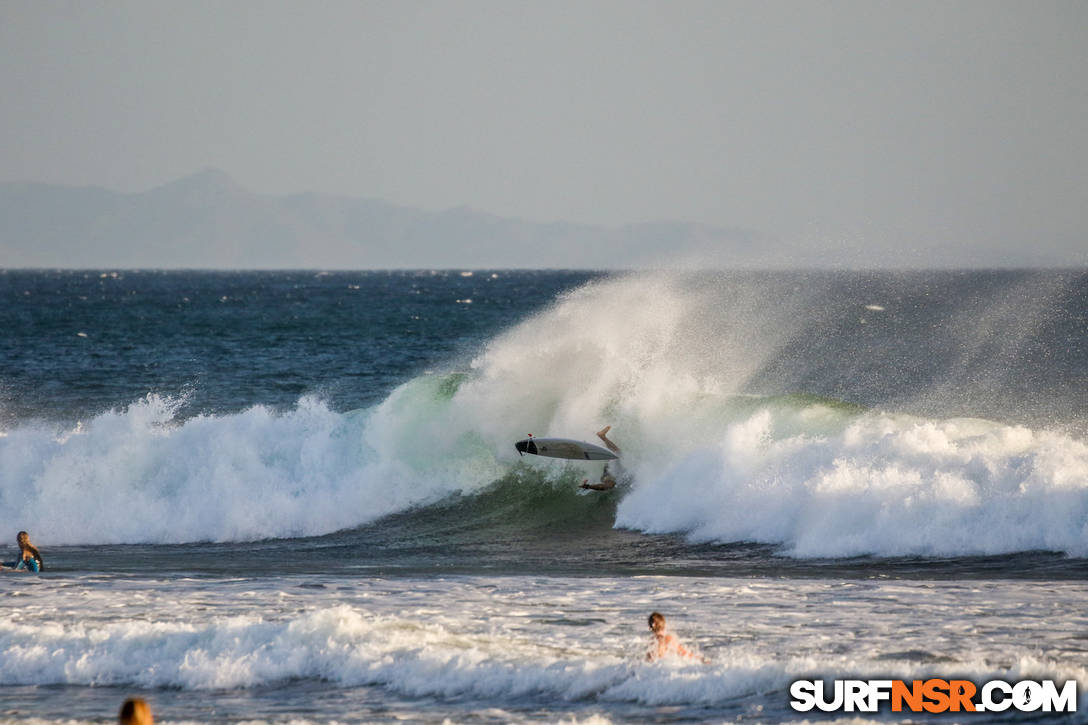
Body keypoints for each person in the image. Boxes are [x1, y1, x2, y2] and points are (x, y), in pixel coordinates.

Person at [580, 425, 621, 491]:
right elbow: (604, 487)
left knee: (617, 453)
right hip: (609, 473)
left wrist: (588, 486)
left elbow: (604, 486)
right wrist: (588, 486)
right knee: (617, 453)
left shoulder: (608, 479)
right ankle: (602, 437)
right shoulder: (610, 481)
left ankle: (602, 437)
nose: (610, 485)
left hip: (608, 473)